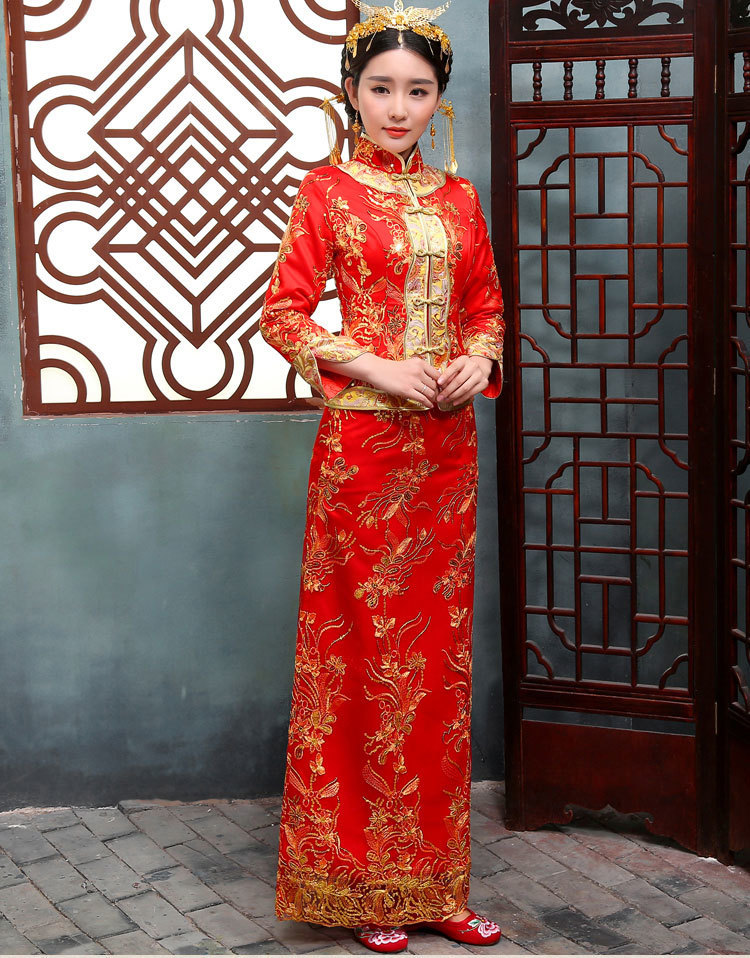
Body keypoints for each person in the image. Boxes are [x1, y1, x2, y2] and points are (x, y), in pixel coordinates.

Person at [260, 1, 505, 952]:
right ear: (351, 93)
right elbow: (284, 315)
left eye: (418, 91)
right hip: (362, 455)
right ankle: (364, 887)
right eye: (381, 89)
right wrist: (376, 366)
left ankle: (436, 884)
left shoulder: (460, 198)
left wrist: (478, 361)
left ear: (440, 101)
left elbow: (485, 307)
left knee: (436, 668)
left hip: (445, 456)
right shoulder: (326, 190)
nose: (399, 108)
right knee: (364, 661)